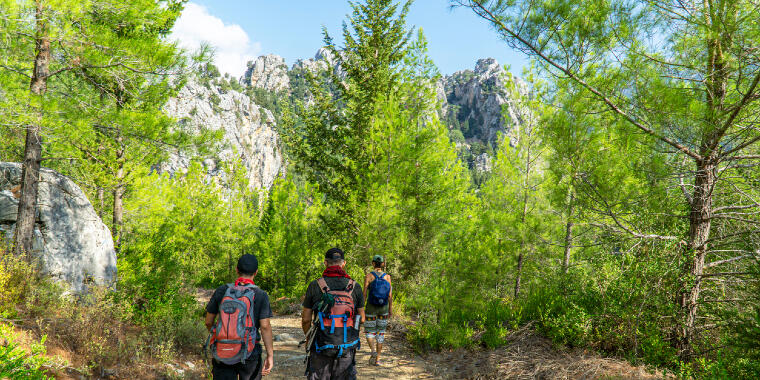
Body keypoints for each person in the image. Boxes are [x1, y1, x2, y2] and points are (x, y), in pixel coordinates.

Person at [205, 254, 274, 380]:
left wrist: (223, 336)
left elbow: (209, 321)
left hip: (223, 349)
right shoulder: (260, 294)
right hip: (250, 351)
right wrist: (270, 355)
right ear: (256, 272)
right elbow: (265, 326)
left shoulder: (222, 290)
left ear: (237, 270)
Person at [302, 248, 365, 380]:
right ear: (344, 263)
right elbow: (362, 318)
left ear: (325, 263)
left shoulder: (315, 285)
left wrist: (309, 339)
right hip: (346, 346)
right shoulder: (355, 286)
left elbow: (306, 319)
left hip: (321, 345)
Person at [363, 255, 392, 366]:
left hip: (371, 308)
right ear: (383, 264)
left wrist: (361, 308)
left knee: (369, 331)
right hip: (383, 308)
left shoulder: (369, 276)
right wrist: (390, 309)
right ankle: (378, 359)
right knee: (381, 332)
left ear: (373, 263)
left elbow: (364, 294)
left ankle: (373, 351)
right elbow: (390, 295)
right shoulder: (388, 277)